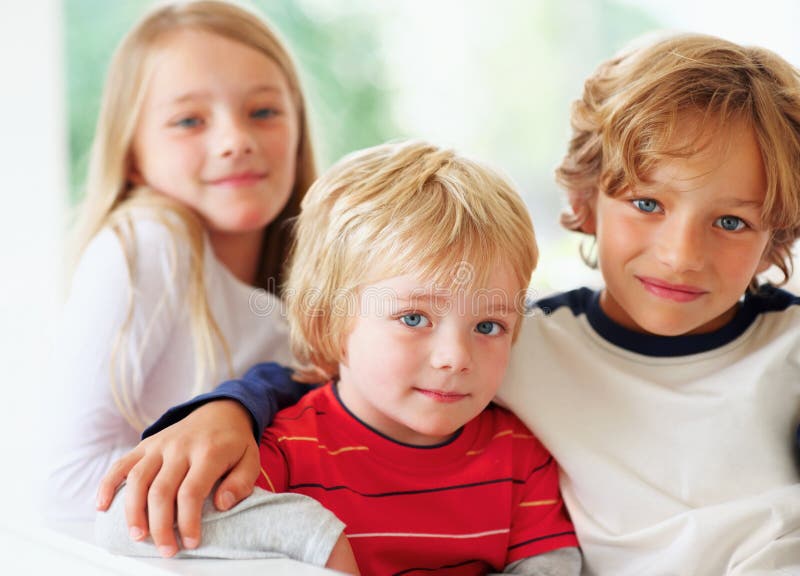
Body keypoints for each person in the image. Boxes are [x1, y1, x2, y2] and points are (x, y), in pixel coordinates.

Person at [98, 32, 800, 574]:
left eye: (732, 221)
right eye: (647, 203)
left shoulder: (788, 347)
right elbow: (342, 372)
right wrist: (228, 409)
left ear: (779, 232)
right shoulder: (524, 344)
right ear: (585, 202)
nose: (682, 253)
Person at [98, 140, 582, 575]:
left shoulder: (520, 454)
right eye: (414, 318)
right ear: (327, 321)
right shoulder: (285, 451)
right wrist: (315, 537)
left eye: (488, 326)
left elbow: (550, 565)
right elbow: (128, 527)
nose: (456, 357)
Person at [45, 0, 332, 540]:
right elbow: (67, 488)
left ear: (298, 131)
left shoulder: (308, 291)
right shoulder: (146, 246)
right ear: (132, 156)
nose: (234, 140)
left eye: (264, 112)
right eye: (188, 121)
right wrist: (292, 528)